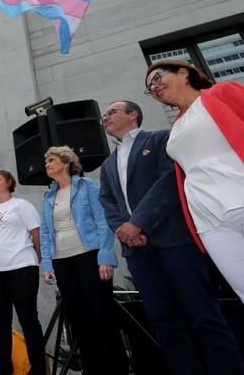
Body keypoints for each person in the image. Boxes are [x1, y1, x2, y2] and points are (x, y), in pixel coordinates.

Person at [99, 100, 244, 375]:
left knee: (203, 314)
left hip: (174, 242)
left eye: (111, 112)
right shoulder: (107, 164)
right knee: (164, 321)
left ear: (133, 115)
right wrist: (124, 230)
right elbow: (107, 200)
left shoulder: (161, 139)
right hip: (138, 253)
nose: (105, 118)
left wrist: (138, 223)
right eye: (104, 115)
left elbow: (168, 182)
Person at [144, 59, 244, 302]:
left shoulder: (220, 92)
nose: (155, 88)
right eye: (150, 88)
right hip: (209, 220)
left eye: (157, 78)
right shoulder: (176, 126)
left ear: (183, 72)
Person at [39, 147, 127, 375]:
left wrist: (105, 256)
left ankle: (116, 369)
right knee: (79, 320)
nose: (46, 164)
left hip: (90, 256)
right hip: (62, 262)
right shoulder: (48, 196)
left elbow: (103, 221)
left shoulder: (87, 187)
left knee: (102, 316)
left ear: (66, 162)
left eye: (51, 160)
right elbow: (47, 234)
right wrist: (47, 265)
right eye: (45, 161)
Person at [0, 170, 46, 375]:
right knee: (0, 320)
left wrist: (36, 259)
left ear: (10, 182)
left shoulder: (21, 205)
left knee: (28, 318)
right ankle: (3, 369)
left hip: (22, 267)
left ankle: (37, 369)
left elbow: (36, 233)